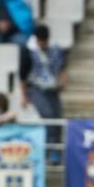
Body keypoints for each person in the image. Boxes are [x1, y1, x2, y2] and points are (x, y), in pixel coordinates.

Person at [20, 24, 67, 163]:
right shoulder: (28, 51)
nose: (42, 43)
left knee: (58, 117)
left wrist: (62, 83)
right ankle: (48, 150)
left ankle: (56, 150)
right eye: (40, 41)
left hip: (52, 89)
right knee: (48, 115)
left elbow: (63, 67)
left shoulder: (56, 49)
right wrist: (24, 96)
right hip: (35, 88)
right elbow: (22, 76)